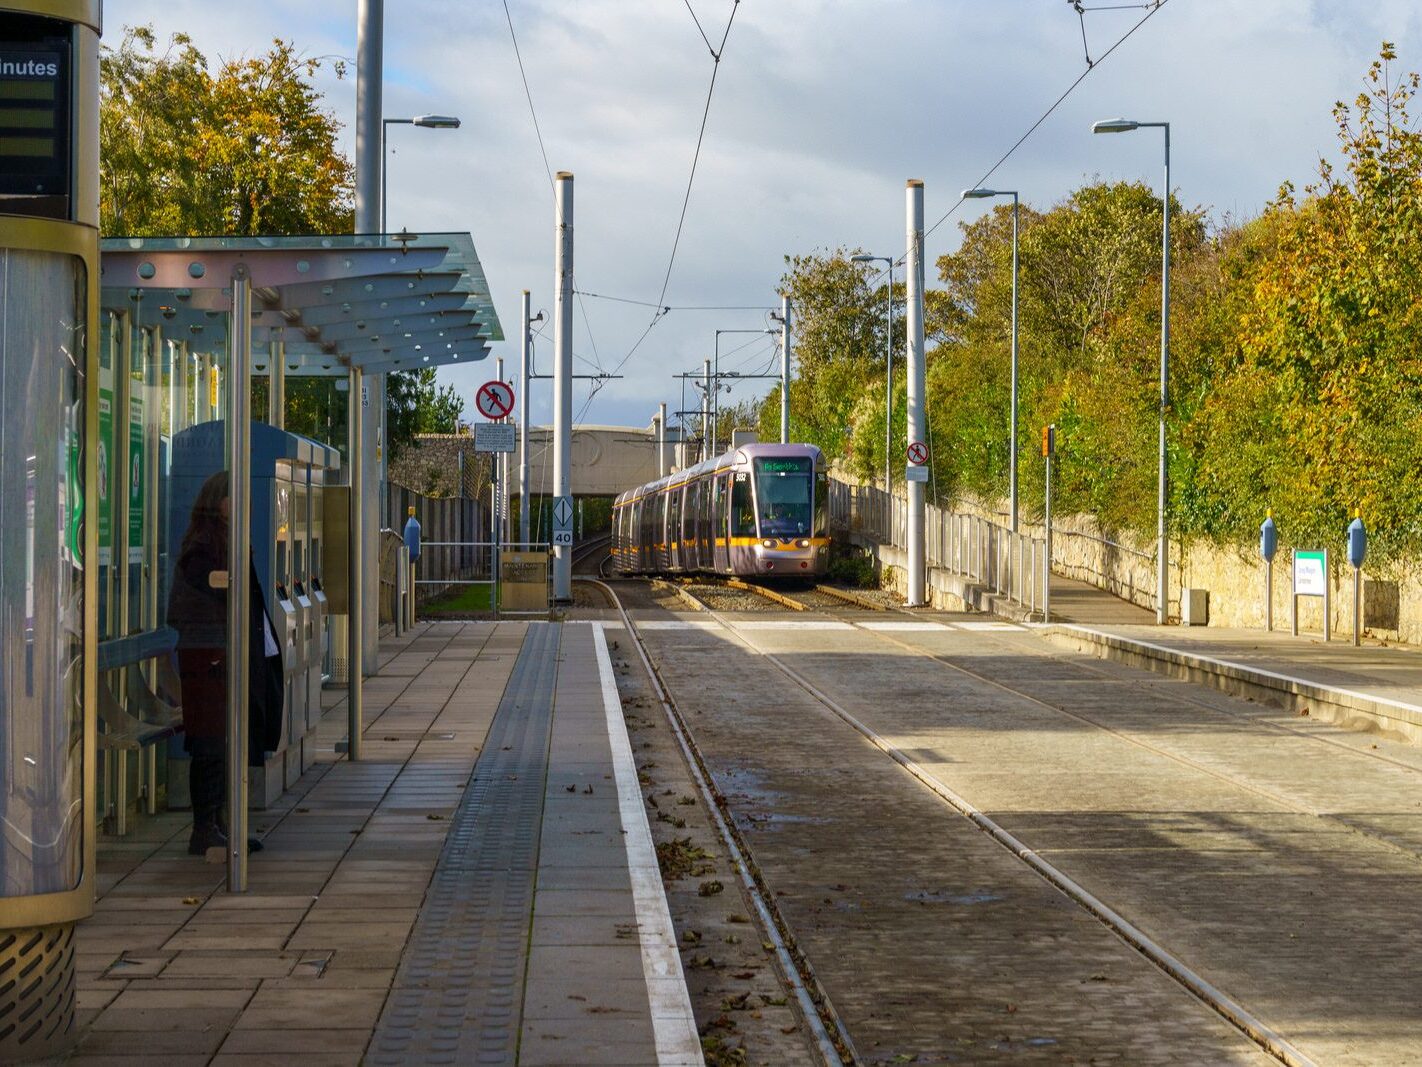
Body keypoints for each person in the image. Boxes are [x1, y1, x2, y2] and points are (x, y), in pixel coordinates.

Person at [166, 470, 284, 855]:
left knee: (222, 739)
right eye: (235, 497)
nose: (242, 505)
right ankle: (205, 828)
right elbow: (213, 593)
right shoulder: (205, 545)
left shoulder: (223, 539)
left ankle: (217, 822)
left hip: (219, 652)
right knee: (211, 741)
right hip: (209, 654)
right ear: (217, 501)